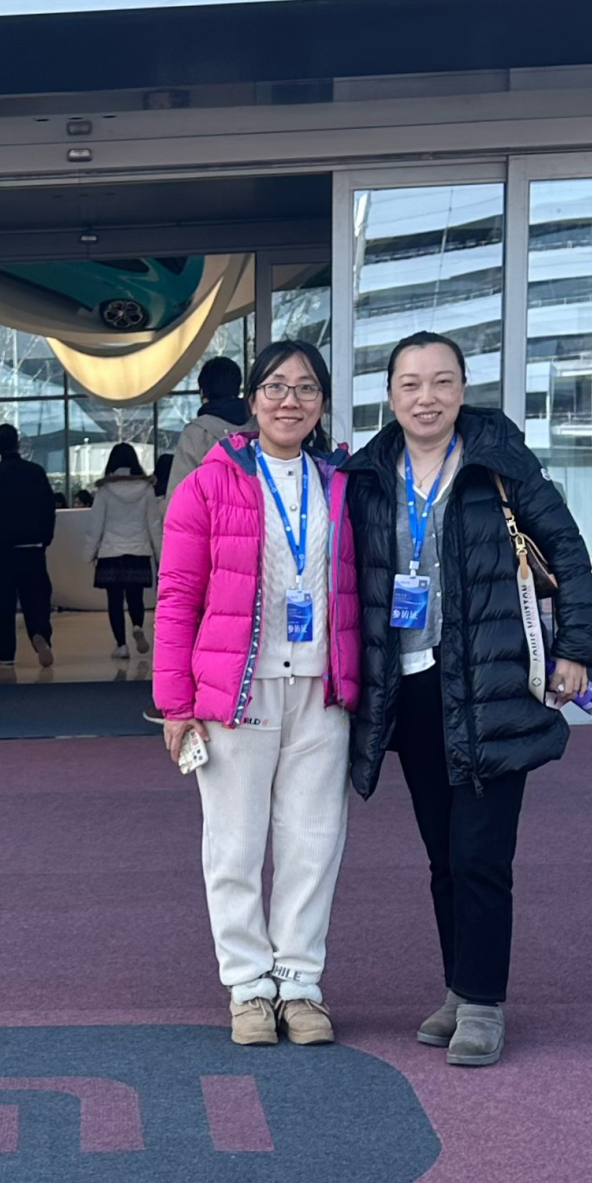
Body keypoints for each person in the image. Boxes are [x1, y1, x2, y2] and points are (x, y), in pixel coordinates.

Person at [345, 330, 592, 1070]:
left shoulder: (502, 463)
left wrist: (577, 649)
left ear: (462, 390)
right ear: (389, 396)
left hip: (491, 682)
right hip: (410, 687)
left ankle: (485, 1002)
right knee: (442, 856)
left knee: (481, 853)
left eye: (441, 382)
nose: (425, 397)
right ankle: (459, 988)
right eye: (410, 384)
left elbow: (568, 552)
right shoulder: (369, 475)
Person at [157, 341, 358, 1046]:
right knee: (235, 846)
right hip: (236, 694)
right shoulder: (208, 484)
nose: (289, 400)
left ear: (322, 403)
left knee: (313, 843)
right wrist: (176, 705)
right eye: (275, 386)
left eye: (306, 388)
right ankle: (248, 986)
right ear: (251, 399)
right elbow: (177, 596)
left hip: (322, 691)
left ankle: (299, 985)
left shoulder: (343, 483)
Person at [0, 423, 57, 668]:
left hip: (2, 551)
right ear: (18, 444)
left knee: (2, 604)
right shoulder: (36, 473)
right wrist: (45, 539)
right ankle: (40, 634)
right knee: (37, 598)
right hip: (32, 548)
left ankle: (5, 655)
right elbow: (48, 509)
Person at [82, 441, 164, 660]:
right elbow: (154, 524)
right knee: (136, 597)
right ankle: (137, 625)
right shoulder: (147, 488)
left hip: (111, 553)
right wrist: (160, 554)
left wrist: (90, 552)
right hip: (139, 552)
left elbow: (95, 524)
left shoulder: (105, 490)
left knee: (115, 601)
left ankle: (121, 645)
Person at [166, 357, 250, 503]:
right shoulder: (262, 427)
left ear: (203, 392)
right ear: (238, 388)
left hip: (212, 515)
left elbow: (179, 496)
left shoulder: (197, 432)